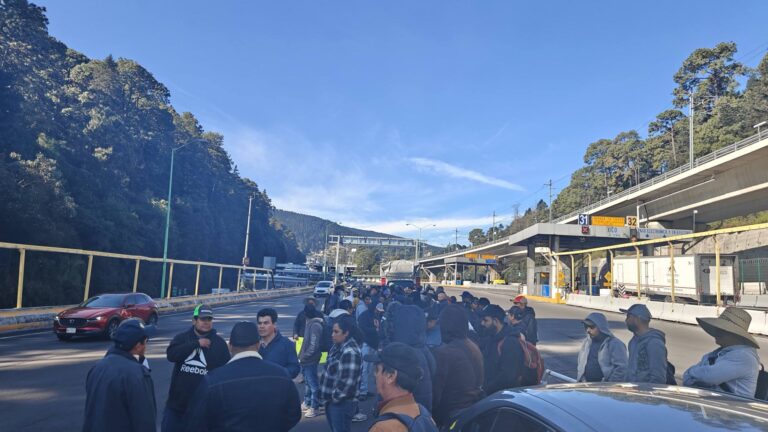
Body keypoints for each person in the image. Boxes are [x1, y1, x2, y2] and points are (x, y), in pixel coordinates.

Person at [186, 321, 301, 432]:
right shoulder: (281, 374)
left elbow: (196, 422)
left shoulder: (212, 380)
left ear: (230, 346)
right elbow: (294, 414)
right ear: (258, 345)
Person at [163, 305, 230, 432]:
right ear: (194, 320)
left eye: (209, 319)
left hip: (204, 408)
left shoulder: (219, 343)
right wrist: (196, 344)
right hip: (177, 406)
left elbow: (225, 371)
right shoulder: (182, 338)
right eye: (203, 319)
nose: (206, 322)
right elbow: (171, 355)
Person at [83, 318, 157, 432]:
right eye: (146, 340)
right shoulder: (137, 375)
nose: (147, 344)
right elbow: (145, 420)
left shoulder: (97, 368)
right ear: (138, 345)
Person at [683, 307, 761, 398]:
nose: (716, 332)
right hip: (716, 404)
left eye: (722, 330)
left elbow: (709, 376)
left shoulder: (743, 356)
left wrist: (690, 372)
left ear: (735, 335)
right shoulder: (722, 351)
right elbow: (699, 374)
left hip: (731, 408)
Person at [432, 304, 484, 428]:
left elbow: (436, 393)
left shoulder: (444, 352)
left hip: (451, 414)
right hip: (473, 409)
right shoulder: (472, 345)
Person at [367, 343, 439, 432]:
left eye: (377, 370)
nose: (374, 375)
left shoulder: (382, 428)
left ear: (391, 376)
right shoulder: (423, 413)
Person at [384, 302, 436, 411]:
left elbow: (387, 388)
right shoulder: (422, 348)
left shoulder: (401, 354)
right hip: (421, 412)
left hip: (403, 414)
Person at [319, 315, 363, 432]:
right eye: (332, 331)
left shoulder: (350, 352)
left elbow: (346, 383)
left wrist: (333, 399)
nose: (332, 335)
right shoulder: (337, 346)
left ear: (346, 333)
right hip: (333, 402)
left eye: (336, 332)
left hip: (341, 404)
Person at [479, 305, 526, 394]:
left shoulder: (510, 342)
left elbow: (508, 377)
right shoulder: (492, 337)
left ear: (496, 321)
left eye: (485, 320)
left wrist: (485, 389)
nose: (482, 323)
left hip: (502, 397)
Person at [621, 304, 669, 384]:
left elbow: (658, 377)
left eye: (628, 317)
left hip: (644, 394)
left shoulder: (654, 343)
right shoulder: (633, 341)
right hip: (632, 393)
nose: (626, 320)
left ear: (637, 319)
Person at [577, 312, 627, 382]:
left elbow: (621, 368)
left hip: (604, 389)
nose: (588, 330)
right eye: (586, 327)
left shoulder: (615, 344)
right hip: (586, 386)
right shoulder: (586, 342)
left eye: (591, 327)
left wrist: (609, 385)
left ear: (601, 327)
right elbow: (580, 363)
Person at [257, 307, 300, 378]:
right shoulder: (253, 344)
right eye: (259, 323)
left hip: (279, 385)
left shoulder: (287, 344)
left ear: (274, 325)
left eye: (266, 323)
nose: (262, 326)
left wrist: (278, 374)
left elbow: (294, 368)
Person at [299, 305, 325, 418]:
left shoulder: (315, 326)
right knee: (308, 383)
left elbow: (313, 346)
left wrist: (304, 356)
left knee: (313, 384)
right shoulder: (310, 324)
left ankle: (315, 407)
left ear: (305, 314)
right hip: (307, 360)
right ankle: (308, 402)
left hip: (310, 359)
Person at [358, 296, 380, 399]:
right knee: (365, 368)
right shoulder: (364, 316)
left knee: (371, 369)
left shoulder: (377, 315)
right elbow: (363, 328)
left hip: (374, 344)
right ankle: (362, 391)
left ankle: (366, 390)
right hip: (366, 343)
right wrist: (374, 329)